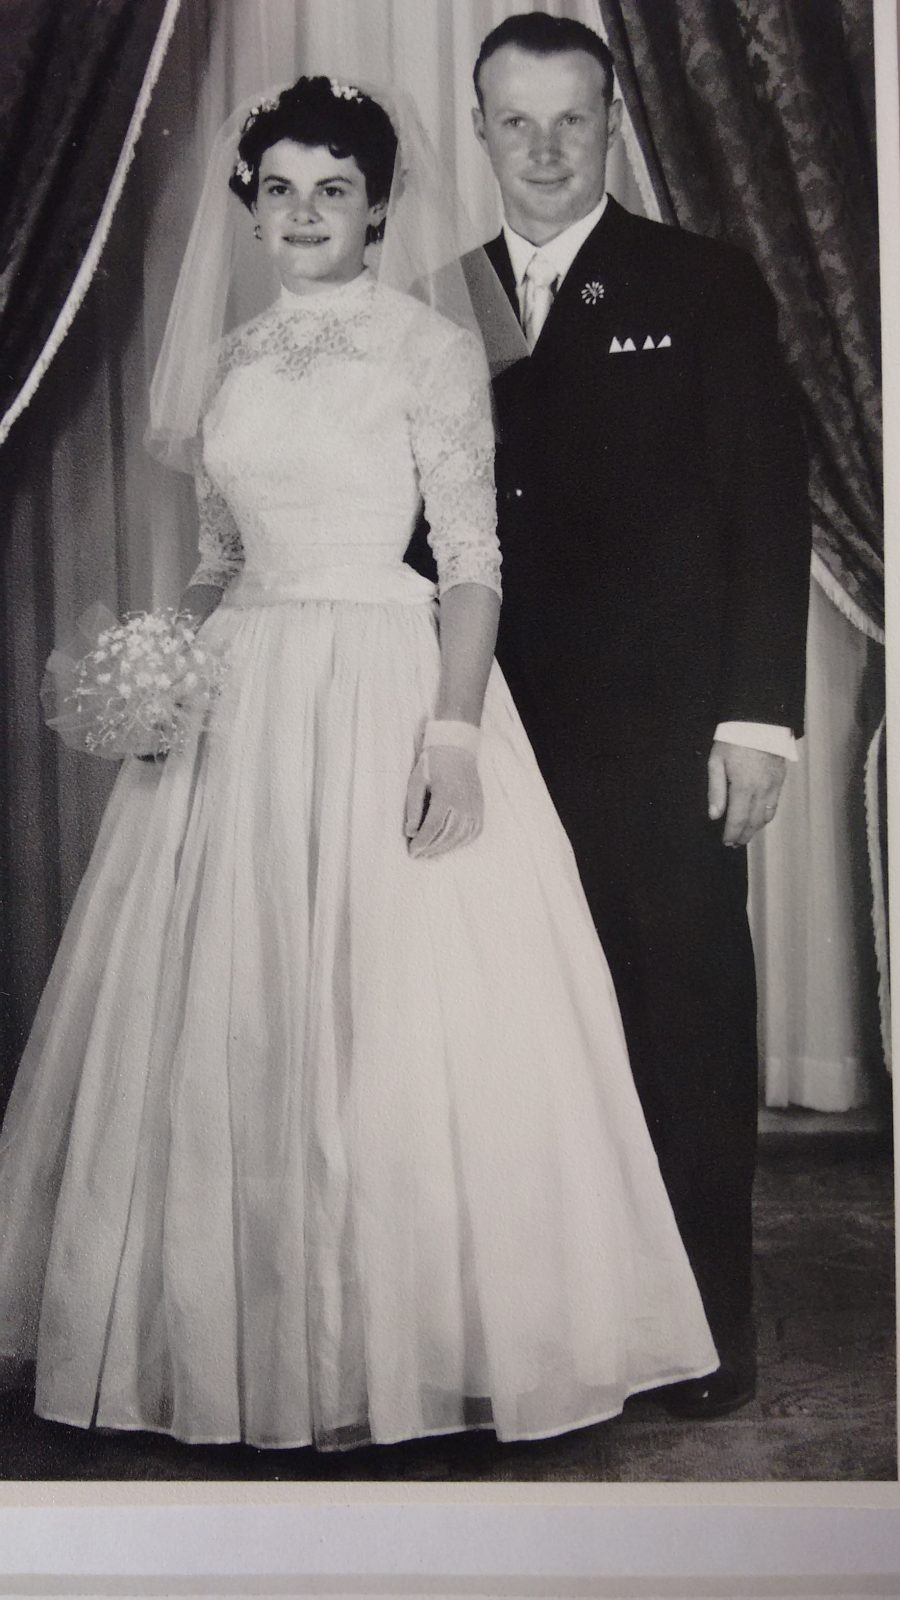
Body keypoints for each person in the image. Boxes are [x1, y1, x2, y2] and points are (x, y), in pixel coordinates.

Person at [0, 75, 718, 1452]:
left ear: (380, 208)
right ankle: (237, 1345)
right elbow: (218, 558)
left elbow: (473, 563)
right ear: (250, 206)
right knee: (241, 1007)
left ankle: (412, 1350)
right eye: (279, 189)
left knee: (395, 1009)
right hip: (244, 697)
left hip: (388, 676)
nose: (304, 213)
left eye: (335, 190)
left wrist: (452, 733)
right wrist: (161, 667)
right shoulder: (224, 362)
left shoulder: (430, 350)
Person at [454, 13, 811, 1419]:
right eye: (517, 121)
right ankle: (558, 1331)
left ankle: (705, 1330)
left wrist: (759, 719)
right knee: (522, 1027)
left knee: (681, 1015)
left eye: (571, 120)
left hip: (665, 733)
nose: (544, 150)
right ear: (479, 131)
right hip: (499, 729)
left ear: (613, 125)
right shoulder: (441, 300)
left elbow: (766, 500)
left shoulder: (701, 281)